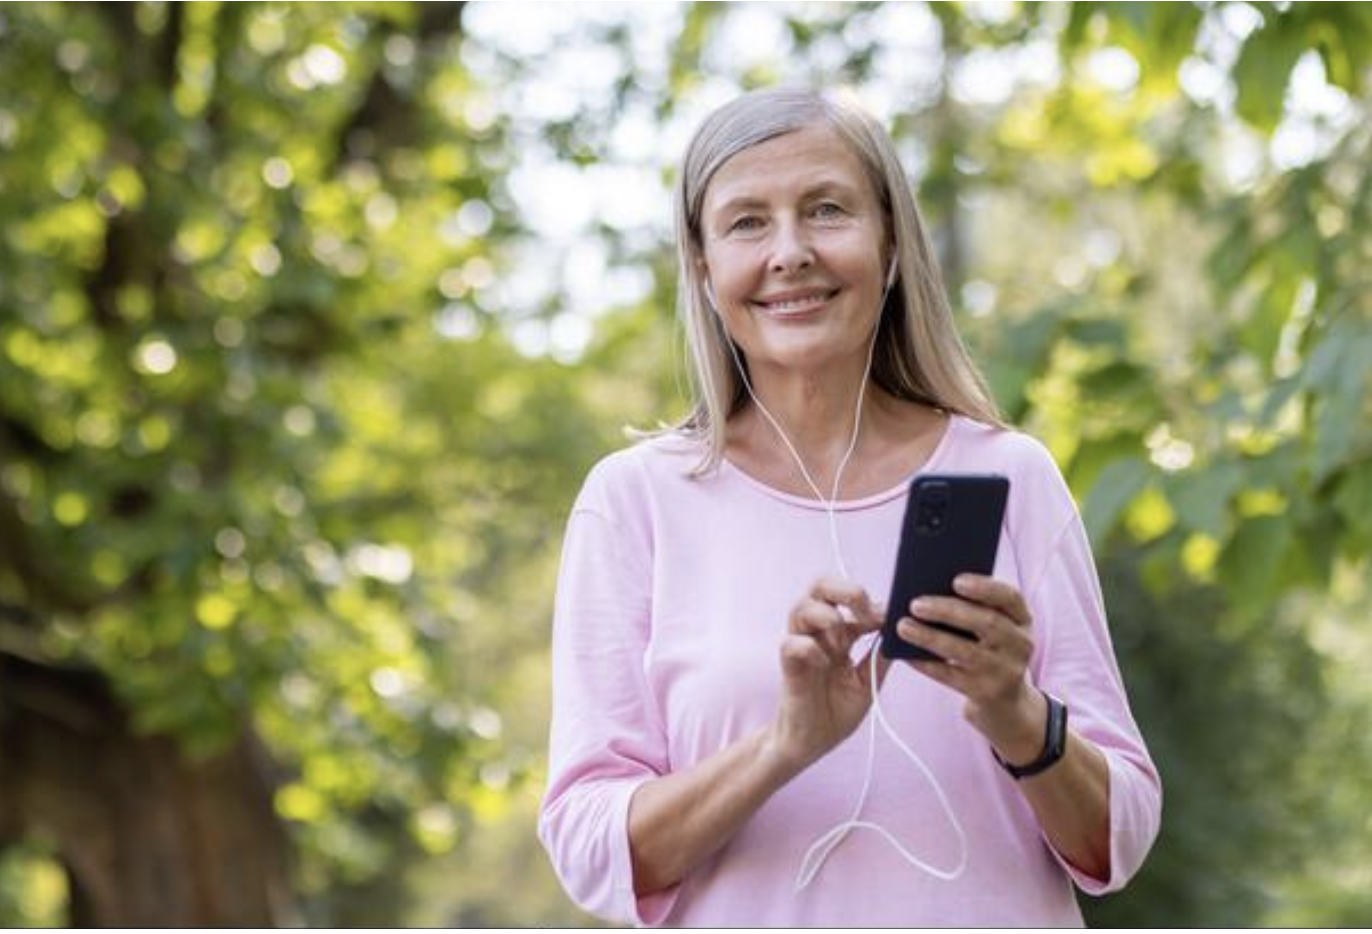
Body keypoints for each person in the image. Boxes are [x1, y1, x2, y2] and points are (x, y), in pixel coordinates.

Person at [537, 86, 1161, 927]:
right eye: (747, 222)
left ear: (892, 242)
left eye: (827, 210)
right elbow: (589, 847)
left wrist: (1015, 713)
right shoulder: (635, 501)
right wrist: (785, 744)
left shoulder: (1012, 475)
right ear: (703, 264)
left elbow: (1116, 840)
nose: (790, 253)